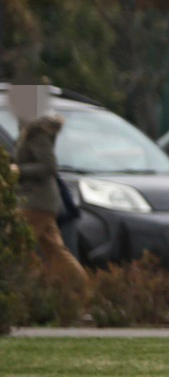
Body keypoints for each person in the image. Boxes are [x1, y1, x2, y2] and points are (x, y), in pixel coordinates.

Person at [12, 111, 88, 289]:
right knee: (55, 250)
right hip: (41, 202)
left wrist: (18, 170)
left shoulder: (36, 132)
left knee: (16, 247)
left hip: (35, 202)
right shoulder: (27, 130)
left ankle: (20, 293)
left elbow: (49, 166)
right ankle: (82, 289)